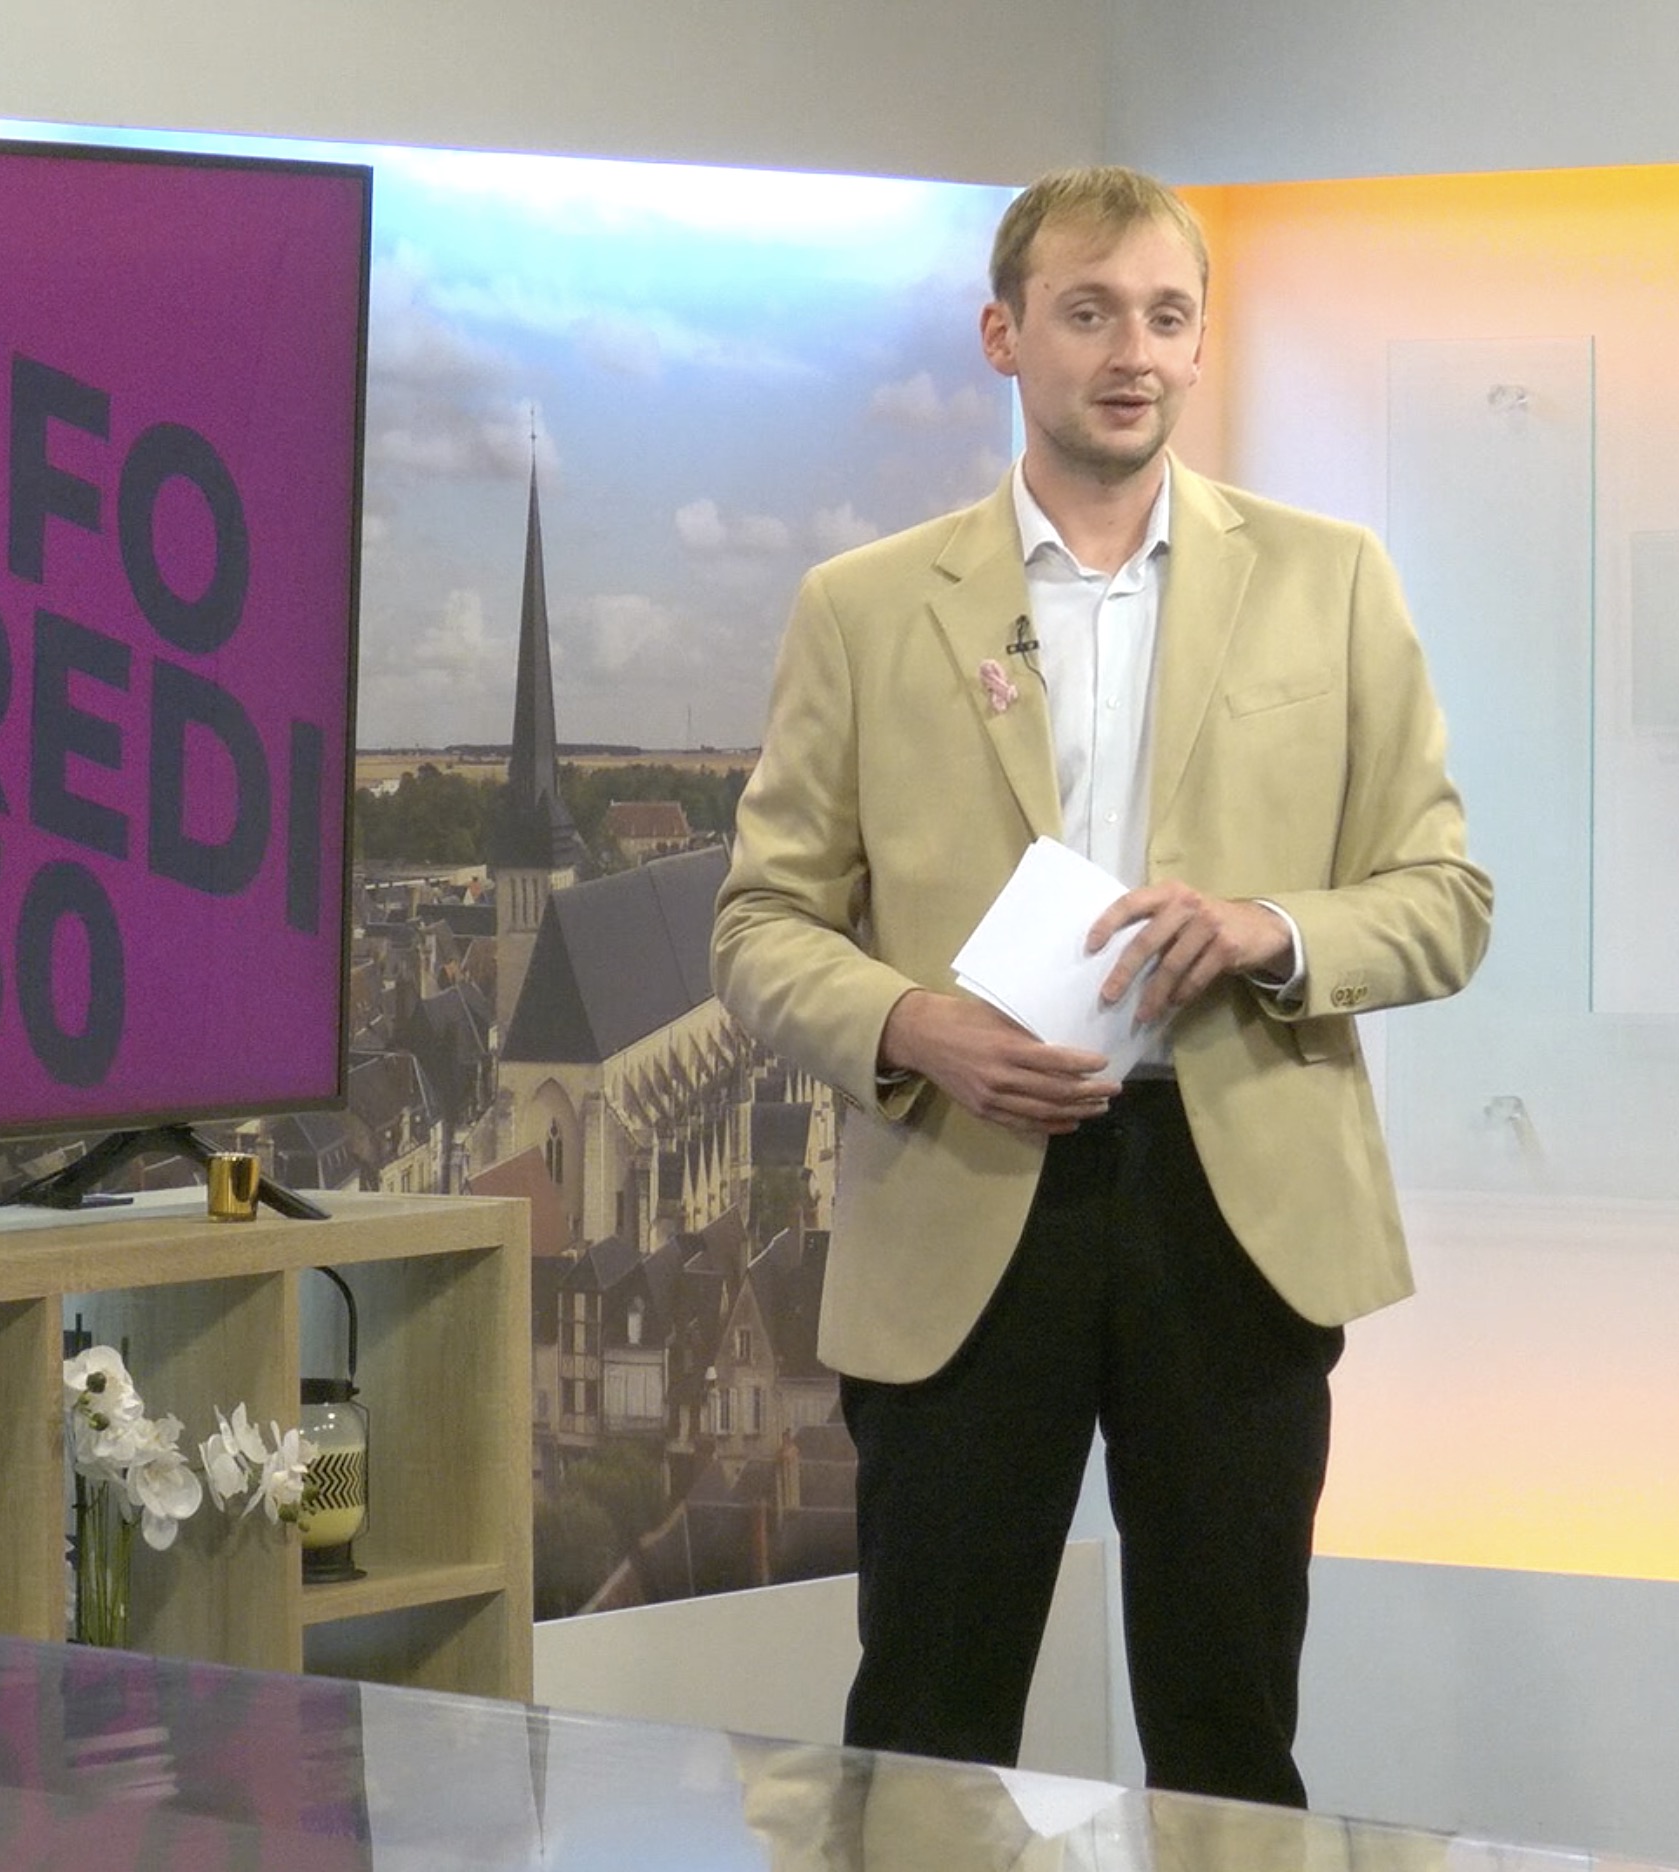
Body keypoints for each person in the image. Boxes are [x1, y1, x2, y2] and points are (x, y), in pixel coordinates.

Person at [711, 166, 1490, 1807]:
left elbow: (1444, 903)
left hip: (1236, 1210)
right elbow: (762, 925)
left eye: (1165, 315)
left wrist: (1269, 930)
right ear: (1003, 336)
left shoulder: (1333, 578)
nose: (1131, 352)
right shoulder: (864, 609)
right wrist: (913, 1028)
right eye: (1087, 312)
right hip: (968, 1192)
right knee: (926, 1731)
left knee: (1227, 1739)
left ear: (1199, 345)